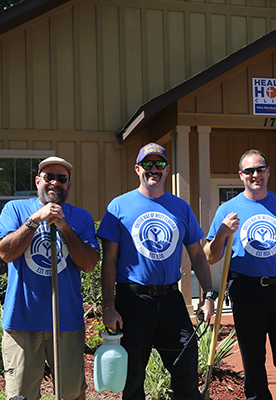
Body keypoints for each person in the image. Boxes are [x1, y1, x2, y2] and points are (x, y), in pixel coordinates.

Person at [97, 142, 216, 400]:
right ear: (137, 169)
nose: (154, 169)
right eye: (148, 164)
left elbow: (197, 254)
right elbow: (109, 260)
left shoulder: (181, 208)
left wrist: (208, 296)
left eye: (159, 164)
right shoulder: (118, 207)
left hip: (172, 300)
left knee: (186, 367)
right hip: (133, 300)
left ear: (167, 169)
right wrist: (109, 305)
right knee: (133, 378)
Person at [0, 156, 100, 400]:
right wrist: (34, 221)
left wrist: (64, 226)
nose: (54, 183)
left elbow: (89, 263)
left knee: (71, 394)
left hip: (66, 321)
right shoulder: (15, 209)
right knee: (20, 395)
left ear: (69, 185)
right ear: (38, 181)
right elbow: (5, 253)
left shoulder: (80, 217)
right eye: (49, 177)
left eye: (61, 179)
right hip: (22, 320)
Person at [204, 149, 276, 400]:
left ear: (268, 171)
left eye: (260, 169)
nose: (255, 175)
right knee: (252, 359)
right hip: (246, 291)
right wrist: (222, 233)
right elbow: (209, 256)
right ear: (241, 175)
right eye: (249, 171)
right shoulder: (228, 210)